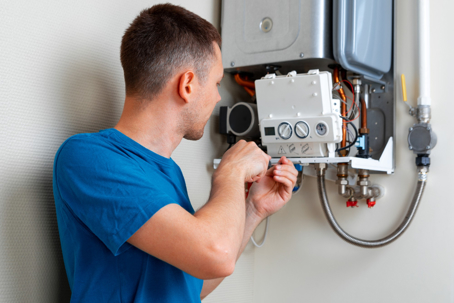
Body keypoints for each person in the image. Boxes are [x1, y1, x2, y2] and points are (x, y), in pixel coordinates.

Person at [53, 3, 297, 302]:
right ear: (188, 85)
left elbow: (194, 281)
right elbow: (215, 255)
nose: (219, 97)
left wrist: (253, 209)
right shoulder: (87, 158)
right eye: (217, 83)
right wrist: (231, 173)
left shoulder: (168, 172)